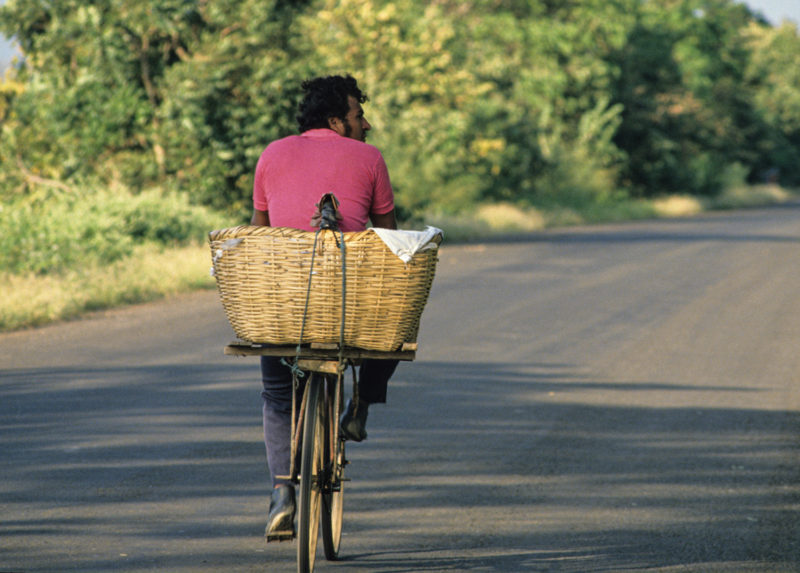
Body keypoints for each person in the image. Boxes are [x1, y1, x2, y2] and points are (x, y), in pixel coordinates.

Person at [250, 74, 399, 539]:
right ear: (337, 120)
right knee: (394, 321)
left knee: (278, 393)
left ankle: (281, 492)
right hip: (348, 306)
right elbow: (389, 238)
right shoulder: (370, 158)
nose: (366, 123)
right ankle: (361, 404)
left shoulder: (271, 154)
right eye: (358, 115)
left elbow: (259, 232)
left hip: (285, 304)